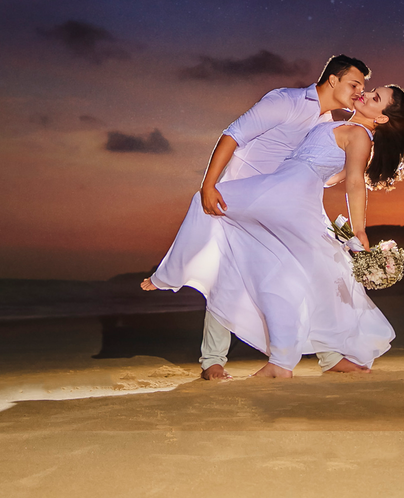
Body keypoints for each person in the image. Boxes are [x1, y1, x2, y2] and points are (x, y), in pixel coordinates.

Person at [168, 85, 404, 378]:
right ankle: (309, 358)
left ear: (381, 118)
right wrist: (317, 167)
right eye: (371, 90)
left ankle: (291, 360)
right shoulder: (340, 125)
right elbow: (329, 176)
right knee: (292, 270)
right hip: (288, 196)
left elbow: (354, 183)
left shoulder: (360, 136)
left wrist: (359, 229)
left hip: (288, 201)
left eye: (375, 98)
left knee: (217, 211)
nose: (365, 94)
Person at [143, 55, 371, 380]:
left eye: (363, 87)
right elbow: (233, 134)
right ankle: (212, 361)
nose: (360, 92)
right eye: (354, 84)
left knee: (314, 269)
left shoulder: (327, 123)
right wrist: (209, 185)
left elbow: (313, 173)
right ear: (333, 80)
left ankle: (330, 356)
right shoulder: (286, 101)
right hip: (241, 199)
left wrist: (353, 169)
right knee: (230, 276)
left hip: (281, 207)